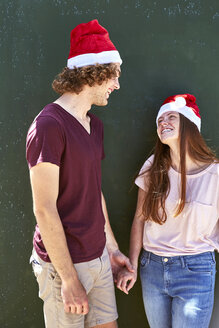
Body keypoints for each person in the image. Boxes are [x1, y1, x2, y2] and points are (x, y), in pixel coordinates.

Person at [26, 19, 133, 328]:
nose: (116, 85)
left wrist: (111, 250)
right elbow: (44, 209)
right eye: (114, 76)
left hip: (98, 257)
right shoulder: (49, 126)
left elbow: (93, 191)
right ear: (94, 72)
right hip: (64, 265)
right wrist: (70, 280)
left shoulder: (94, 125)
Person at [117, 94, 219, 328]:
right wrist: (131, 265)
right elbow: (139, 220)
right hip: (152, 269)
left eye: (171, 117)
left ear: (190, 124)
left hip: (196, 269)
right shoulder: (153, 167)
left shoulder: (215, 174)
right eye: (160, 120)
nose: (163, 123)